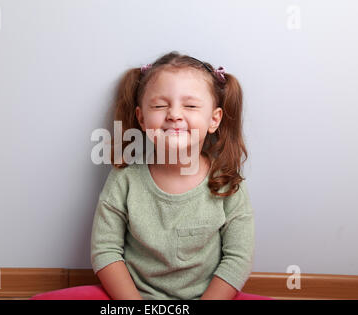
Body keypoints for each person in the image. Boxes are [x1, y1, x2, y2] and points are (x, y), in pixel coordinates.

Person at [30, 51, 274, 300]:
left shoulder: (227, 183)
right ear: (142, 119)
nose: (174, 115)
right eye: (159, 106)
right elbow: (105, 250)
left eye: (189, 106)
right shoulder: (125, 179)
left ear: (214, 119)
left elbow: (238, 258)